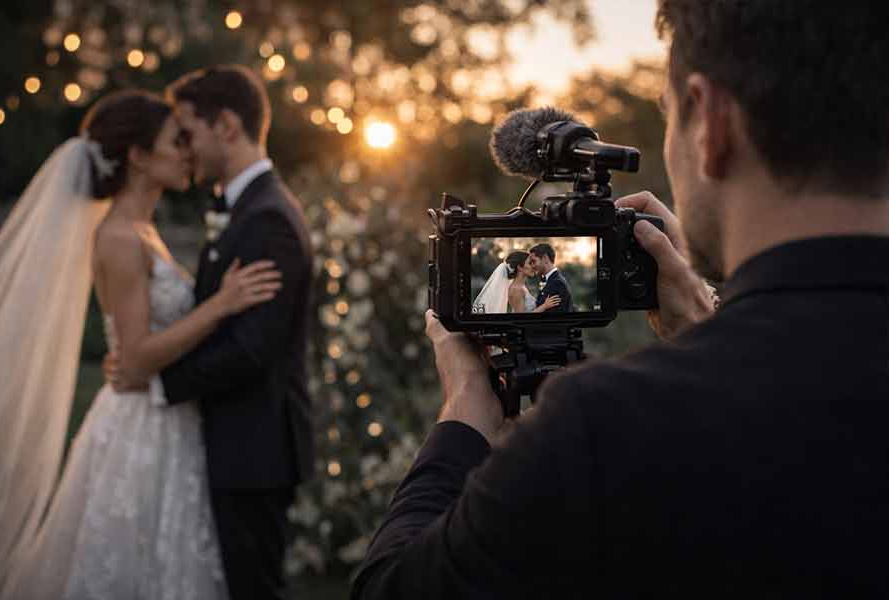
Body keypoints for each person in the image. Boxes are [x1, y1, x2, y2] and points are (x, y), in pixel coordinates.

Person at [352, 2, 889, 598]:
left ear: (709, 124)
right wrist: (713, 330)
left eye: (667, 117)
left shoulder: (607, 429)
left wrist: (462, 413)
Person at [0, 90, 281, 599]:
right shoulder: (120, 238)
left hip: (168, 417)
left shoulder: (143, 231)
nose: (187, 152)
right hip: (141, 425)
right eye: (176, 141)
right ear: (139, 157)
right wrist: (221, 304)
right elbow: (140, 358)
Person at [108, 65, 313, 600]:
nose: (186, 148)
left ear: (225, 126)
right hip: (231, 445)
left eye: (190, 132)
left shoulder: (266, 217)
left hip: (253, 449)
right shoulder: (243, 208)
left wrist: (155, 381)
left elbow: (249, 349)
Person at [472, 250, 560, 314]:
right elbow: (522, 319)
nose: (534, 266)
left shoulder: (521, 286)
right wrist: (544, 306)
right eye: (530, 263)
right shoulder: (516, 289)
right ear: (520, 267)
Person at [529, 243, 573, 313]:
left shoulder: (557, 283)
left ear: (545, 258)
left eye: (534, 261)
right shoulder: (546, 280)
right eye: (530, 263)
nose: (532, 266)